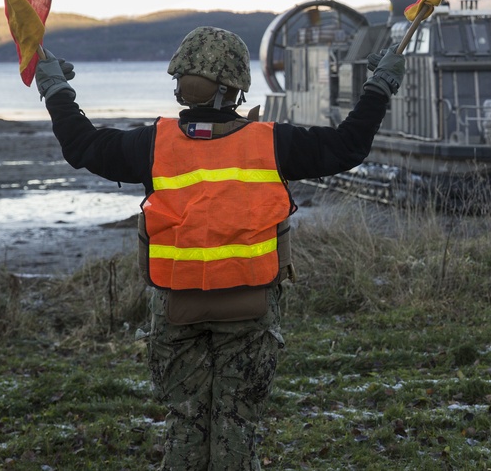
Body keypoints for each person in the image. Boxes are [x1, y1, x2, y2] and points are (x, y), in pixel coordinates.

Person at [33, 26, 405, 470]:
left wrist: (56, 87)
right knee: (236, 429)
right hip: (251, 312)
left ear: (180, 83)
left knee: (187, 423)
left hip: (176, 311)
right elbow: (348, 146)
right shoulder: (271, 142)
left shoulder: (152, 145)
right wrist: (379, 86)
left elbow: (83, 146)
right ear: (235, 87)